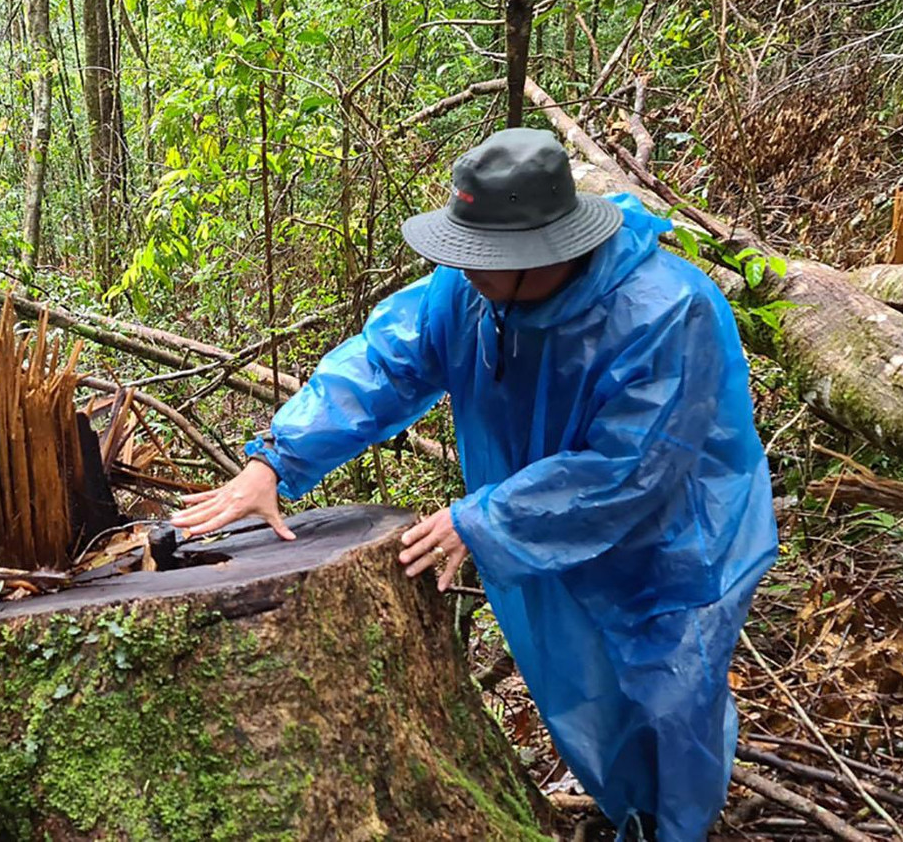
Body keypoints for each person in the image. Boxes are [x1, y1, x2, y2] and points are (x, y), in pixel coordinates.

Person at [171, 128, 778, 842]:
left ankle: (675, 830)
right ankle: (631, 815)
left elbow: (632, 467)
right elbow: (383, 364)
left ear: (549, 250)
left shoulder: (668, 311)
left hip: (671, 543)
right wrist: (275, 457)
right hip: (540, 525)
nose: (464, 270)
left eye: (485, 259)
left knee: (671, 697)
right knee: (588, 691)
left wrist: (484, 519)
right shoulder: (468, 293)